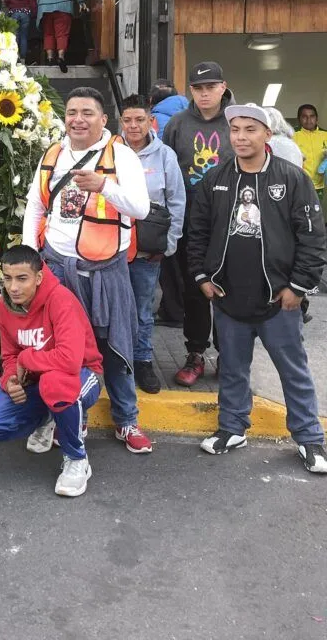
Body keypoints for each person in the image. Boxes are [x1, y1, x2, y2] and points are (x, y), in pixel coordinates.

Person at [188, 103, 327, 474]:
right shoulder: (216, 178)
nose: (241, 137)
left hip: (279, 300)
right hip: (229, 298)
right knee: (232, 368)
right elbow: (197, 231)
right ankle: (232, 428)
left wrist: (298, 287)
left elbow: (313, 238)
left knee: (293, 370)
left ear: (268, 134)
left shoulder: (291, 178)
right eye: (235, 130)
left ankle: (310, 438)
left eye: (250, 130)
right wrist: (202, 277)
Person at [22, 86, 153, 453]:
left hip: (105, 270)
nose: (78, 120)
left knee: (114, 346)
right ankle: (55, 417)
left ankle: (126, 421)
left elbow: (141, 209)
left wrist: (104, 186)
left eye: (87, 113)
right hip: (58, 269)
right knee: (60, 348)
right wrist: (33, 262)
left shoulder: (121, 157)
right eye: (72, 112)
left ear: (103, 120)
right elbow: (35, 206)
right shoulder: (54, 153)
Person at [0, 246, 103, 498]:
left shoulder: (61, 300)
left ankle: (77, 459)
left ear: (39, 278)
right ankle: (48, 417)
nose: (13, 287)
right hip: (37, 380)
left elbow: (68, 360)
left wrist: (26, 358)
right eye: (8, 278)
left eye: (22, 279)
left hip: (83, 373)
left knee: (55, 383)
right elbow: (10, 355)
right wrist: (11, 378)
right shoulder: (4, 308)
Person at [163, 61, 234, 387]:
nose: (204, 94)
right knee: (193, 292)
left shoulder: (238, 122)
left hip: (231, 225)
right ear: (190, 90)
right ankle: (195, 354)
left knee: (229, 291)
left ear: (222, 87)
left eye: (211, 87)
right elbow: (166, 173)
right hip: (191, 225)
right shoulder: (177, 124)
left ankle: (227, 354)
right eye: (198, 88)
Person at [120, 95, 186, 394]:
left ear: (150, 121)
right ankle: (116, 361)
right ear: (120, 122)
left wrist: (169, 243)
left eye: (139, 119)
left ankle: (143, 360)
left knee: (143, 310)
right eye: (127, 120)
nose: (133, 126)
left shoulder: (165, 156)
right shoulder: (111, 152)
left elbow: (176, 201)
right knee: (112, 309)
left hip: (148, 249)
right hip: (111, 248)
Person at [293, 104, 327, 199]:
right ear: (299, 119)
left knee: (317, 211)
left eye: (312, 116)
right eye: (304, 117)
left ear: (316, 118)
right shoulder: (292, 135)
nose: (308, 120)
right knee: (300, 212)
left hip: (321, 185)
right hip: (299, 184)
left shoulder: (325, 135)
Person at [37, 0, 77, 73]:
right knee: (62, 34)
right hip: (64, 4)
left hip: (45, 6)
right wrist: (81, 1)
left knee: (48, 34)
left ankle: (49, 58)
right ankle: (61, 57)